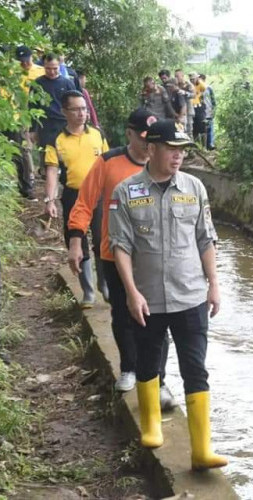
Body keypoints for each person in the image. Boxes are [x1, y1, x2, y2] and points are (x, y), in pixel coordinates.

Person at [109, 119, 227, 470]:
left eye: (182, 150)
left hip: (190, 296)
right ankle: (151, 427)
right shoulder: (126, 192)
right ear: (152, 149)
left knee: (196, 369)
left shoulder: (194, 187)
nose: (178, 156)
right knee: (147, 363)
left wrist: (214, 285)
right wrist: (131, 293)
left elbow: (206, 238)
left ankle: (202, 450)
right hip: (148, 299)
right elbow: (120, 247)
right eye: (171, 149)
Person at [66, 109, 173, 406]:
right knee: (123, 314)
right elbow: (85, 202)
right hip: (113, 254)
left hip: (151, 258)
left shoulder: (162, 164)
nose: (148, 144)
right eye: (143, 138)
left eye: (153, 139)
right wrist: (76, 242)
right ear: (129, 134)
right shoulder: (109, 162)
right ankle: (128, 367)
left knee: (157, 319)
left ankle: (158, 380)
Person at [44, 90, 109, 308]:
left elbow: (109, 164)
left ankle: (105, 285)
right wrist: (50, 200)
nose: (82, 113)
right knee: (77, 243)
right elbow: (52, 171)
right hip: (74, 195)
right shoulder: (57, 140)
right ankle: (88, 292)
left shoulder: (97, 135)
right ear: (65, 112)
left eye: (84, 109)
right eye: (76, 109)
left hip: (99, 195)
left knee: (102, 240)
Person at [31, 53, 76, 176]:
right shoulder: (38, 84)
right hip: (45, 124)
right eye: (48, 68)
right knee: (48, 159)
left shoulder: (67, 83)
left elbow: (75, 103)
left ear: (59, 66)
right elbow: (32, 107)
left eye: (54, 68)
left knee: (66, 156)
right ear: (43, 66)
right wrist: (32, 130)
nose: (51, 72)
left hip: (64, 123)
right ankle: (51, 189)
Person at [13, 45, 43, 200]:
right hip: (21, 115)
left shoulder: (40, 71)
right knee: (25, 150)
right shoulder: (14, 72)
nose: (24, 64)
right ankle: (28, 183)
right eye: (21, 61)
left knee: (44, 147)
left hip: (39, 114)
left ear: (32, 57)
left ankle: (45, 173)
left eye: (26, 60)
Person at [175, 69, 195, 138]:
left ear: (182, 76)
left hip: (188, 110)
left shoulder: (188, 84)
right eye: (175, 76)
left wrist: (185, 93)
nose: (176, 78)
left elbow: (194, 95)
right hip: (179, 111)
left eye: (177, 76)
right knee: (180, 129)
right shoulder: (176, 85)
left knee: (189, 130)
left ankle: (190, 146)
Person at [199, 74, 216, 151]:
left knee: (209, 128)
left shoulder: (209, 88)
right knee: (202, 129)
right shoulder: (196, 88)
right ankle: (203, 146)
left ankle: (210, 144)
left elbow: (213, 101)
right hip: (200, 112)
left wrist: (213, 110)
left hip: (208, 111)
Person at [189, 73, 207, 146]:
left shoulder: (200, 85)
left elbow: (204, 87)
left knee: (202, 128)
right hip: (192, 108)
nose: (192, 80)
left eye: (193, 79)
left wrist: (198, 80)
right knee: (194, 129)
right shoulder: (189, 86)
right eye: (191, 79)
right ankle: (197, 146)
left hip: (199, 107)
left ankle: (204, 146)